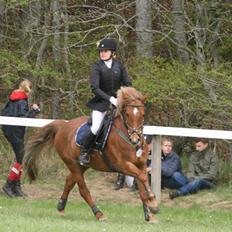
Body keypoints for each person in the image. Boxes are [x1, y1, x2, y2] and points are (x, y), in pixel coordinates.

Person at [79, 38, 132, 166]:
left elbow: (127, 83)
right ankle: (84, 152)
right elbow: (95, 88)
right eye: (101, 51)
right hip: (101, 103)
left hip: (118, 103)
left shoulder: (119, 66)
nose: (102, 53)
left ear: (112, 52)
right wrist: (110, 99)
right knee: (96, 126)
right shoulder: (97, 66)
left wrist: (124, 96)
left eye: (105, 51)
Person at [1, 79, 40, 197]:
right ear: (27, 91)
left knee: (20, 158)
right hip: (15, 131)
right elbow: (25, 118)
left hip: (9, 129)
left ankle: (16, 186)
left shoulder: (14, 97)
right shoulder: (22, 100)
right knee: (20, 158)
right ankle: (8, 185)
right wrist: (34, 110)